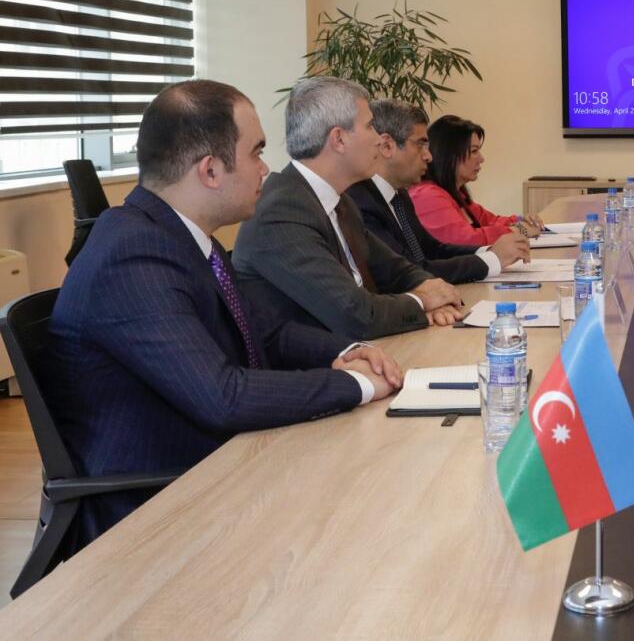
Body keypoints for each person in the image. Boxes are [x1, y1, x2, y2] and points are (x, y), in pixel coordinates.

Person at [45, 81, 404, 548]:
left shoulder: (183, 237)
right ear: (211, 170)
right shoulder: (132, 254)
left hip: (223, 468)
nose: (265, 168)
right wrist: (355, 386)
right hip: (160, 513)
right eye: (256, 152)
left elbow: (265, 333)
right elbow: (223, 396)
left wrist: (349, 351)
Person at [233, 77, 465, 341]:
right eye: (370, 126)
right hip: (319, 361)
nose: (379, 139)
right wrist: (422, 301)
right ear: (339, 139)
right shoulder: (282, 211)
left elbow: (396, 270)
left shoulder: (340, 201)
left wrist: (431, 291)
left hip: (367, 350)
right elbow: (355, 315)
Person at [348, 99, 530, 285]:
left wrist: (489, 252)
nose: (428, 156)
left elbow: (432, 250)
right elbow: (409, 272)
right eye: (420, 144)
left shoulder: (399, 196)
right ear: (387, 146)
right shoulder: (360, 203)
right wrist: (493, 259)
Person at [409, 115, 545, 246]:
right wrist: (519, 230)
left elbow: (490, 221)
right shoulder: (427, 195)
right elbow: (467, 240)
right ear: (449, 155)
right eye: (474, 151)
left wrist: (521, 220)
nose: (481, 159)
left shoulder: (455, 194)